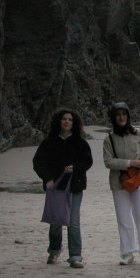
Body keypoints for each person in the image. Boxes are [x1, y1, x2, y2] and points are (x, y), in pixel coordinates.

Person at [32, 109, 93, 268]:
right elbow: (38, 162)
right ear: (59, 121)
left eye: (70, 120)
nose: (67, 122)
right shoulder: (49, 142)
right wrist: (48, 178)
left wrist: (75, 168)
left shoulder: (80, 142)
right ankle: (54, 251)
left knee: (73, 223)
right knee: (55, 222)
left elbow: (87, 161)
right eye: (64, 119)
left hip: (74, 187)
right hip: (56, 187)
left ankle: (75, 256)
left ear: (74, 123)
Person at [103, 102, 140, 265]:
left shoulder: (138, 133)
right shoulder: (109, 139)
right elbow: (108, 162)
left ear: (128, 116)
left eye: (124, 114)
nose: (121, 117)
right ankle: (127, 253)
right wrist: (129, 163)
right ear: (114, 118)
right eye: (118, 114)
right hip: (118, 183)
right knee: (124, 219)